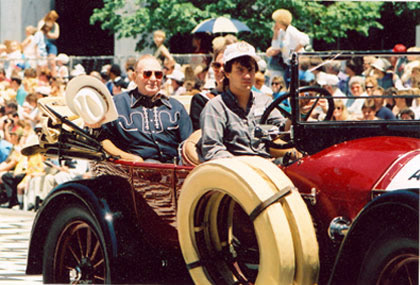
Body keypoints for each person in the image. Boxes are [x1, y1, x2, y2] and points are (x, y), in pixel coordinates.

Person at [197, 42, 285, 162]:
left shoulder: (264, 101)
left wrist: (298, 112)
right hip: (235, 173)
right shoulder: (215, 108)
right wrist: (247, 165)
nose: (247, 76)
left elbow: (283, 131)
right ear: (227, 73)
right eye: (240, 70)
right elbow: (212, 149)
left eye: (250, 70)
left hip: (268, 165)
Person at [97, 54, 193, 163]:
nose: (153, 78)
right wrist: (130, 158)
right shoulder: (117, 104)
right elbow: (102, 139)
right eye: (147, 74)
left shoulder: (176, 108)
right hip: (133, 170)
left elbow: (189, 142)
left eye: (158, 74)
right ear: (134, 77)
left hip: (174, 168)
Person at [266, 9, 309, 87]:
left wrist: (294, 51)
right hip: (288, 63)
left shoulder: (292, 31)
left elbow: (305, 39)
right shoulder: (282, 32)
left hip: (297, 63)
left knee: (292, 84)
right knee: (287, 84)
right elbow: (275, 46)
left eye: (276, 21)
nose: (275, 23)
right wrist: (275, 33)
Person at [190, 49, 225, 130]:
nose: (221, 70)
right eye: (217, 65)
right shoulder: (201, 100)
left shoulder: (246, 98)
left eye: (226, 66)